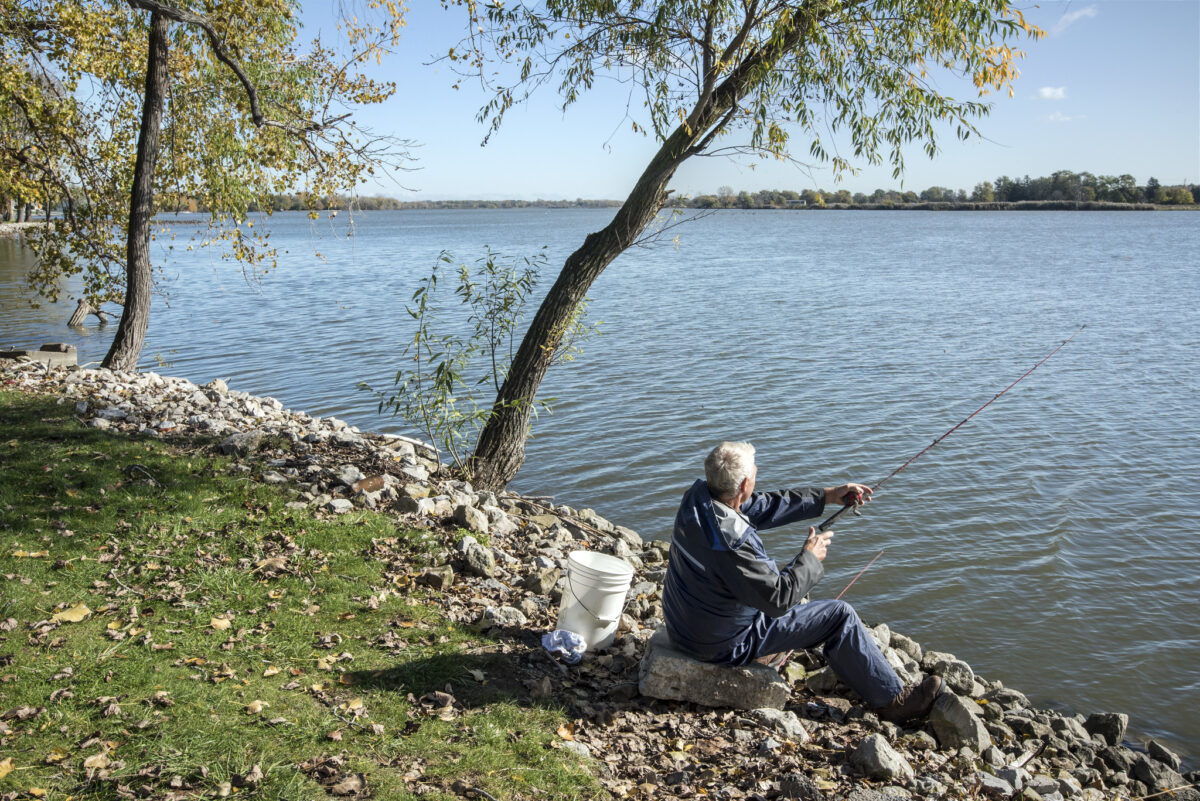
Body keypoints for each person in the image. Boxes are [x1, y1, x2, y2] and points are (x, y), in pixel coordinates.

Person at [661, 440, 941, 723]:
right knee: (838, 616)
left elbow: (763, 505)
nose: (757, 476)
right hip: (718, 643)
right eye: (755, 472)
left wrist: (829, 496)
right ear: (746, 482)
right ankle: (894, 702)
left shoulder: (698, 500)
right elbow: (778, 600)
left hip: (683, 625)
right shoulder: (733, 543)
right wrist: (810, 557)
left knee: (789, 592)